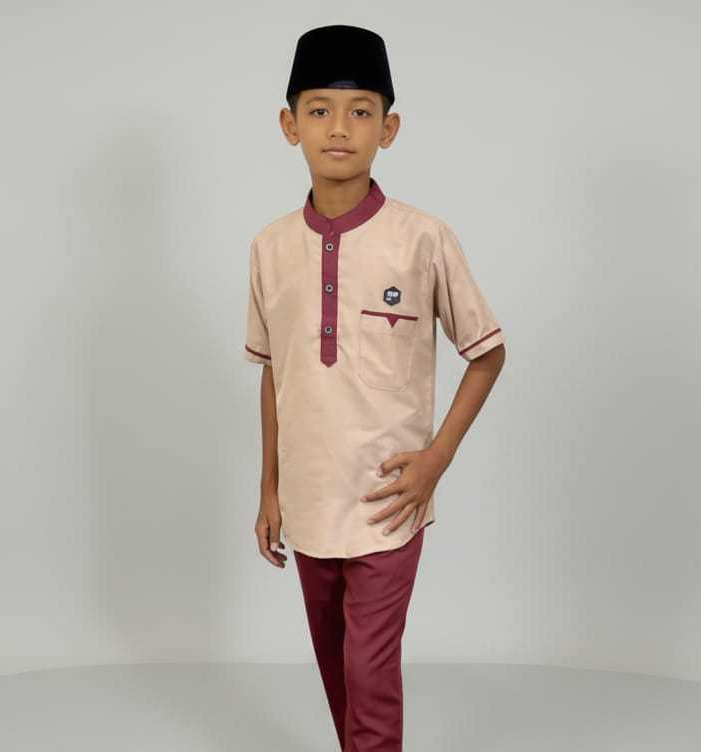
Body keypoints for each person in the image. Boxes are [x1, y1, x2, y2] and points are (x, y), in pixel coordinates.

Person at [243, 23, 506, 752]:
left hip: (390, 498)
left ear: (388, 129)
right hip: (308, 499)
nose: (339, 128)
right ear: (289, 124)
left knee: (370, 667)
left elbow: (487, 354)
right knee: (336, 666)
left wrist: (436, 460)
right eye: (320, 110)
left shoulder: (423, 239)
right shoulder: (269, 248)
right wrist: (269, 489)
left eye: (360, 111)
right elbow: (273, 371)